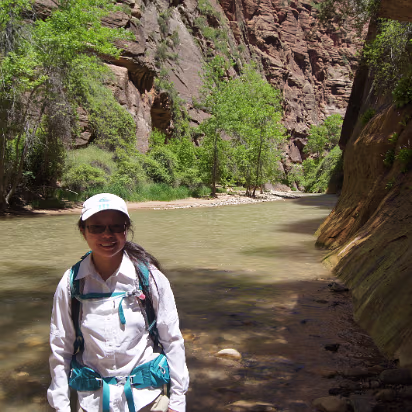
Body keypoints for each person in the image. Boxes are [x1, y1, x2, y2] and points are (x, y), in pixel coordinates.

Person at [47, 193, 189, 412]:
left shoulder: (149, 278)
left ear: (126, 229)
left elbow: (172, 340)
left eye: (116, 226)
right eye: (96, 227)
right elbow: (60, 349)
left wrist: (178, 402)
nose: (107, 235)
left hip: (147, 401)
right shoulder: (71, 283)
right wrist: (61, 406)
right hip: (92, 403)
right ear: (83, 231)